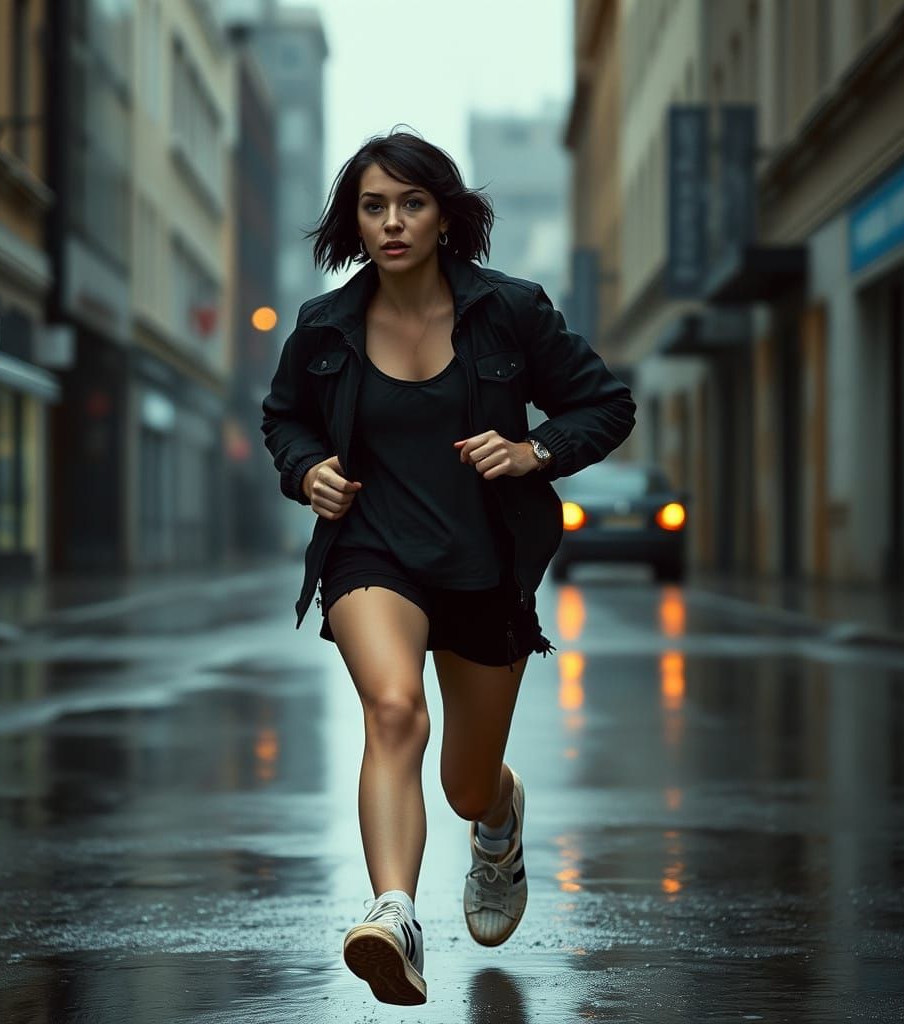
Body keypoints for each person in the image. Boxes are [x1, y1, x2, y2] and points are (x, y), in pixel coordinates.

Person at [261, 129, 635, 1006]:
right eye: (373, 206)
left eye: (412, 203)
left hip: (483, 566)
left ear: (444, 216)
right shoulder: (324, 328)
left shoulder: (511, 310)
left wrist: (534, 449)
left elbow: (606, 403)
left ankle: (499, 823)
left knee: (465, 786)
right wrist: (305, 467)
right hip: (372, 551)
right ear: (353, 222)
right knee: (394, 711)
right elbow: (286, 420)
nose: (392, 222)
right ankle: (396, 915)